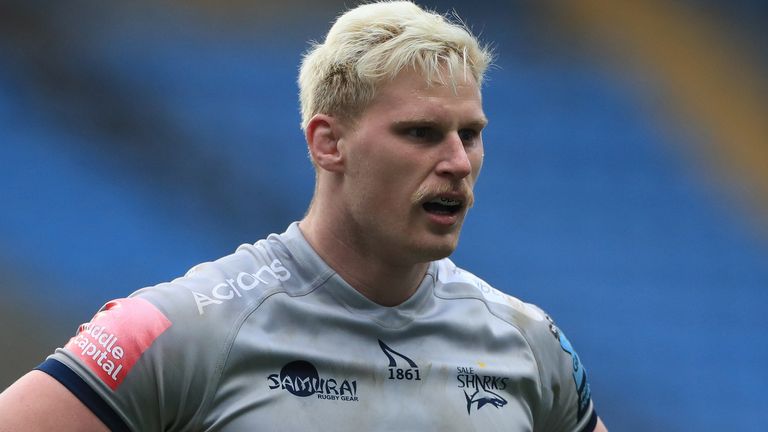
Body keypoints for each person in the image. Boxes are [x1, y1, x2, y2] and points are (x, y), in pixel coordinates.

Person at [0, 1, 607, 431]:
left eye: (470, 134)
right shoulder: (186, 330)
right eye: (421, 132)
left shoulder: (530, 345)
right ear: (328, 143)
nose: (457, 161)